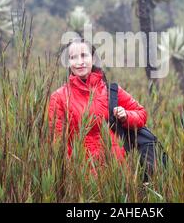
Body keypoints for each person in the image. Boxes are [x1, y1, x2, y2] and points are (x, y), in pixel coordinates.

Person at [48, 38, 148, 171]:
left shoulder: (111, 90)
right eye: (73, 57)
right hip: (83, 176)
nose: (79, 62)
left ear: (93, 58)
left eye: (84, 55)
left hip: (117, 173)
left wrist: (126, 116)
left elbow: (141, 114)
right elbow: (58, 143)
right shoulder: (59, 97)